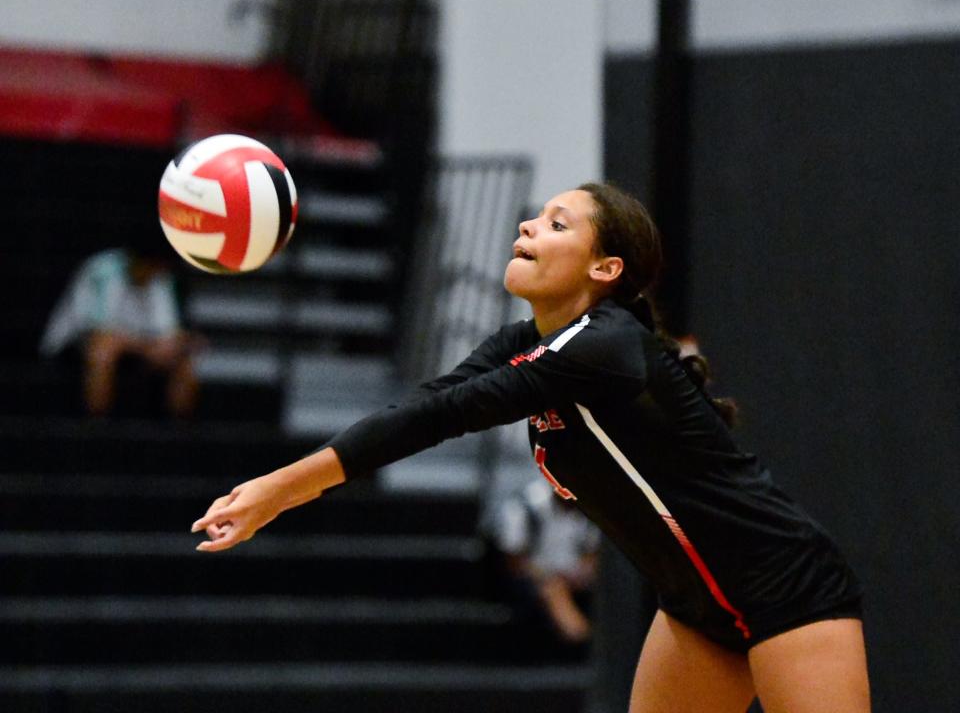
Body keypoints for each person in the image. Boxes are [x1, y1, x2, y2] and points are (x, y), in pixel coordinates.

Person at [191, 182, 870, 713]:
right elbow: (426, 405)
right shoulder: (526, 342)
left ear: (606, 267)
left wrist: (279, 490)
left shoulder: (606, 346)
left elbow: (447, 414)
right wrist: (284, 487)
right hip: (695, 609)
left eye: (556, 223)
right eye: (536, 217)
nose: (527, 226)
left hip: (788, 587)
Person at [40, 243, 199, 418]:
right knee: (104, 349)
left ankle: (177, 430)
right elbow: (100, 329)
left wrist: (179, 342)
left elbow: (168, 331)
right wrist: (147, 348)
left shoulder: (160, 277)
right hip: (74, 343)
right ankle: (95, 423)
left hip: (135, 347)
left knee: (183, 356)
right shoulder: (103, 270)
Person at [489, 477, 600, 646]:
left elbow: (592, 554)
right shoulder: (524, 506)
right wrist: (550, 576)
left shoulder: (590, 509)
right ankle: (581, 637)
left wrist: (581, 572)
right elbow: (514, 562)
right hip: (532, 580)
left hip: (575, 579)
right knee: (553, 588)